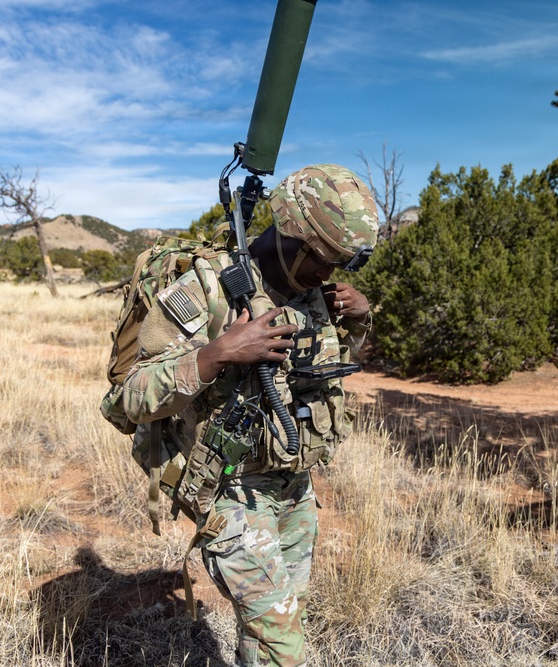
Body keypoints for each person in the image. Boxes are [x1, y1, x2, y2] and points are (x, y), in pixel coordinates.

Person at [117, 163, 379, 667]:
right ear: (290, 235)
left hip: (294, 487)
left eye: (341, 264)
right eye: (323, 259)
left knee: (275, 628)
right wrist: (217, 354)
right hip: (232, 492)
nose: (329, 274)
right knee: (284, 646)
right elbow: (127, 398)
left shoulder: (315, 293)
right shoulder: (207, 290)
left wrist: (361, 319)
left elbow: (328, 369)